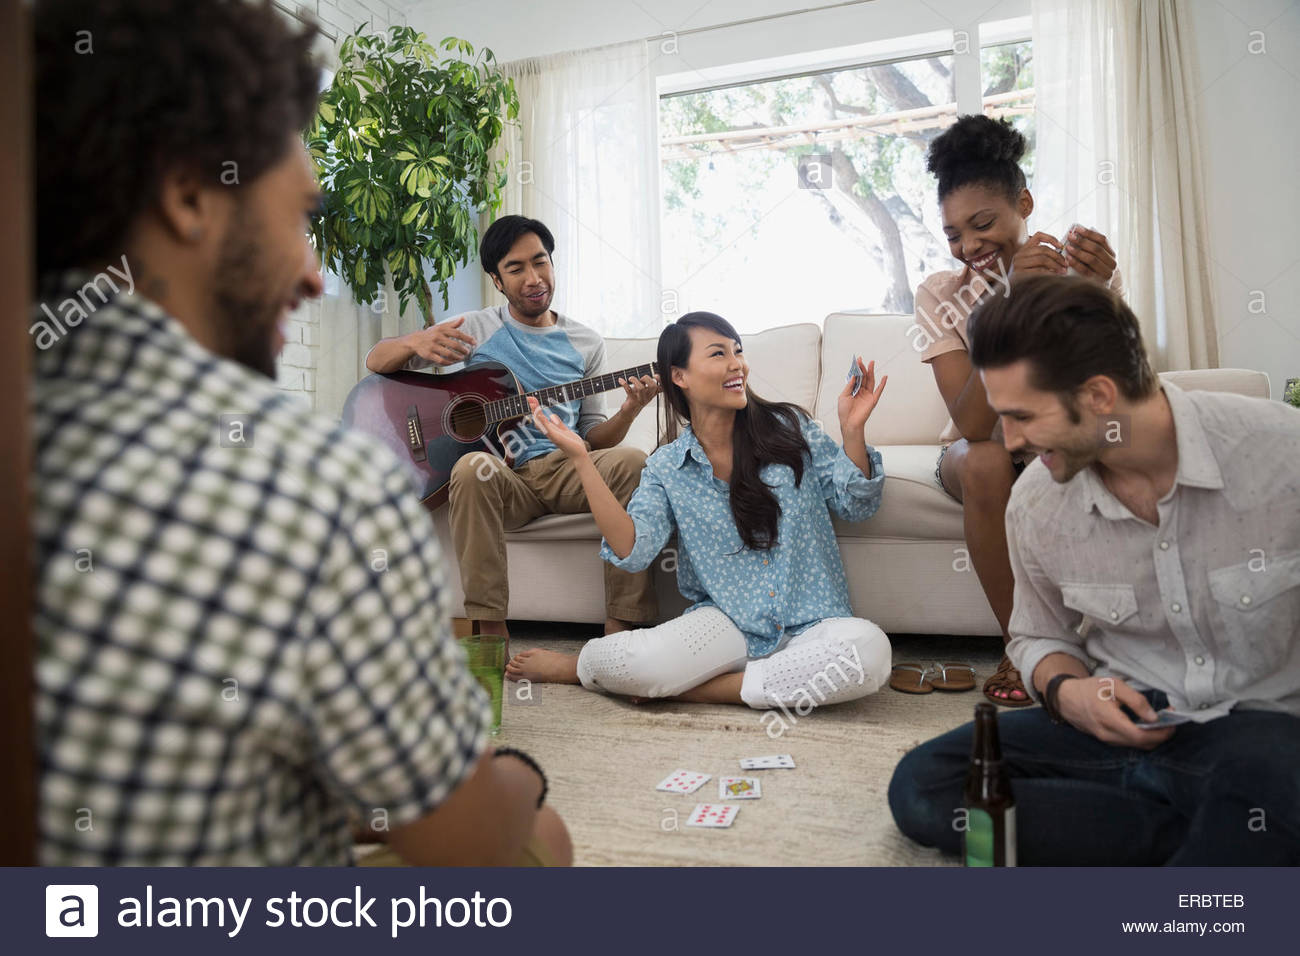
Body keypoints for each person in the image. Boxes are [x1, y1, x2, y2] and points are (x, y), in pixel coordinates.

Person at [33, 0, 569, 867]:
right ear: (187, 199)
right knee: (538, 840)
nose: (316, 278)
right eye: (298, 220)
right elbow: (470, 838)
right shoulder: (313, 486)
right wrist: (513, 787)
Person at [889, 275, 1300, 864]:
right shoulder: (1036, 500)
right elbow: (1039, 635)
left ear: (1100, 397)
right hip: (1117, 726)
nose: (1008, 439)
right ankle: (1205, 837)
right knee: (926, 786)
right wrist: (1069, 691)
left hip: (1259, 733)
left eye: (1024, 416)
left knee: (1269, 781)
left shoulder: (1281, 454)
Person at [505, 312, 894, 710]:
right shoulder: (666, 466)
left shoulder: (792, 429)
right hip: (727, 623)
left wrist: (852, 431)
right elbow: (633, 550)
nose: (737, 364)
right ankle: (579, 667)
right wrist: (581, 460)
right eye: (718, 353)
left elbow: (856, 504)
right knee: (642, 660)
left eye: (738, 351)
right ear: (679, 376)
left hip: (816, 621)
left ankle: (695, 689)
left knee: (870, 652)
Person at [366, 216, 661, 643]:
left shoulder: (586, 343)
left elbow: (594, 437)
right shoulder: (474, 328)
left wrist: (630, 411)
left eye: (541, 262)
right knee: (471, 468)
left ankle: (622, 625)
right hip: (505, 479)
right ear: (496, 280)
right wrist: (414, 343)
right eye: (516, 268)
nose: (533, 278)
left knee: (633, 460)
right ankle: (489, 630)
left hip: (567, 470)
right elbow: (376, 362)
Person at [913, 115, 1125, 707]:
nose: (969, 246)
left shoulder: (1072, 271)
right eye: (954, 233)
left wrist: (1100, 293)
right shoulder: (941, 294)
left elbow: (1112, 387)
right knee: (981, 459)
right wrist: (1008, 300)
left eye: (983, 224)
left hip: (1057, 441)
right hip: (980, 452)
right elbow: (975, 420)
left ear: (1023, 203)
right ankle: (1025, 647)